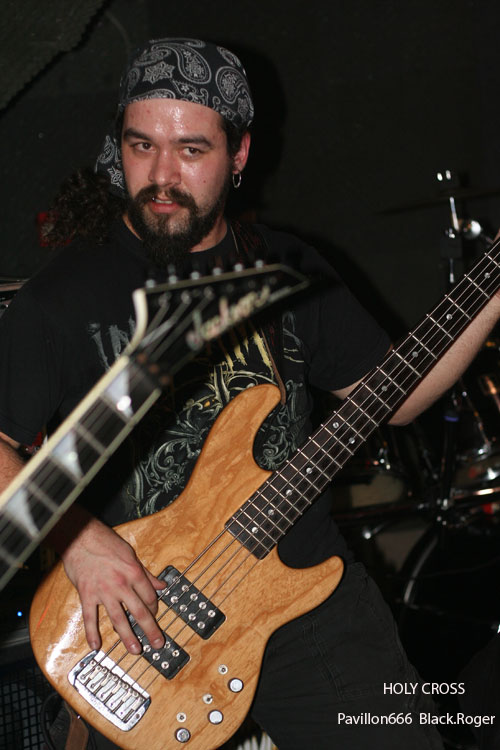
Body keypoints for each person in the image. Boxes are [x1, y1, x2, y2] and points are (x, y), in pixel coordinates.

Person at [1, 38, 499, 750]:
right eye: (142, 146)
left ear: (238, 155)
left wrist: (491, 291)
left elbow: (396, 397)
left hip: (303, 590)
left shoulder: (287, 266)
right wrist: (77, 540)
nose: (162, 175)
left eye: (191, 150)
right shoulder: (63, 297)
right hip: (142, 617)